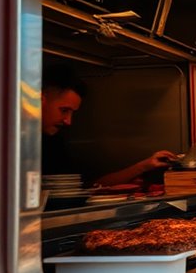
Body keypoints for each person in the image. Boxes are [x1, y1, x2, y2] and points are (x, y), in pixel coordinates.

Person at [42, 64, 177, 186]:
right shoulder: (26, 145)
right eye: (64, 110)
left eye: (72, 113)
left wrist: (145, 166)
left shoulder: (54, 143)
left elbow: (92, 185)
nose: (68, 121)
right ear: (40, 100)